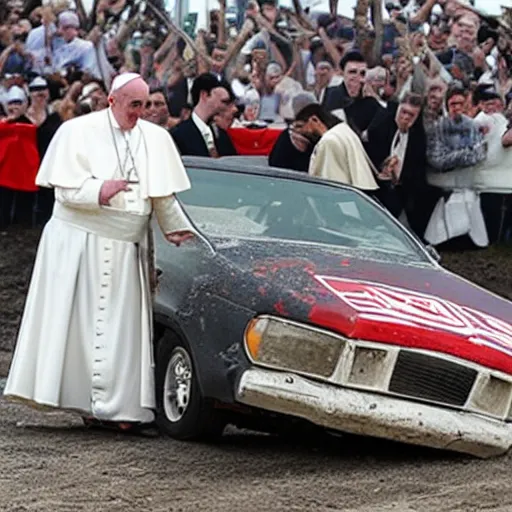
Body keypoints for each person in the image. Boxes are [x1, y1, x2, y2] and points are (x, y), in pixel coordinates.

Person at [4, 72, 193, 434]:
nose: (140, 113)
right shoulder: (76, 132)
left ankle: (120, 409)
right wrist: (98, 190)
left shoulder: (155, 138)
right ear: (112, 100)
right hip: (80, 244)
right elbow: (63, 193)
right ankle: (87, 405)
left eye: (146, 104)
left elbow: (161, 195)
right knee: (79, 328)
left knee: (120, 330)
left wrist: (175, 227)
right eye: (134, 105)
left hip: (126, 249)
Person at [292, 96, 378, 192]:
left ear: (314, 120)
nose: (300, 132)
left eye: (301, 126)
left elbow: (332, 182)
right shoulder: (343, 129)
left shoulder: (329, 141)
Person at [170, 73, 237, 157]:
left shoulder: (222, 136)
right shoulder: (178, 135)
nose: (226, 108)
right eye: (223, 102)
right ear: (204, 95)